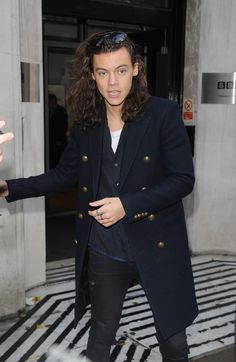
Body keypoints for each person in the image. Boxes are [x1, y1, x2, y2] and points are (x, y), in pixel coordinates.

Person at [0, 31, 198, 361]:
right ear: (92, 74)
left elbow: (183, 179)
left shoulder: (163, 114)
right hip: (106, 250)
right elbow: (64, 175)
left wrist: (127, 205)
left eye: (121, 70)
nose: (113, 83)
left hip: (157, 244)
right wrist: (10, 188)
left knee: (174, 342)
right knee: (100, 337)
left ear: (136, 68)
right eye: (103, 72)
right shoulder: (87, 123)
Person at [48, 93, 68, 168]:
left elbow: (63, 126)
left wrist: (60, 139)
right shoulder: (49, 111)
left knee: (58, 158)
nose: (49, 103)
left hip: (59, 140)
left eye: (50, 101)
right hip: (52, 140)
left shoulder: (61, 111)